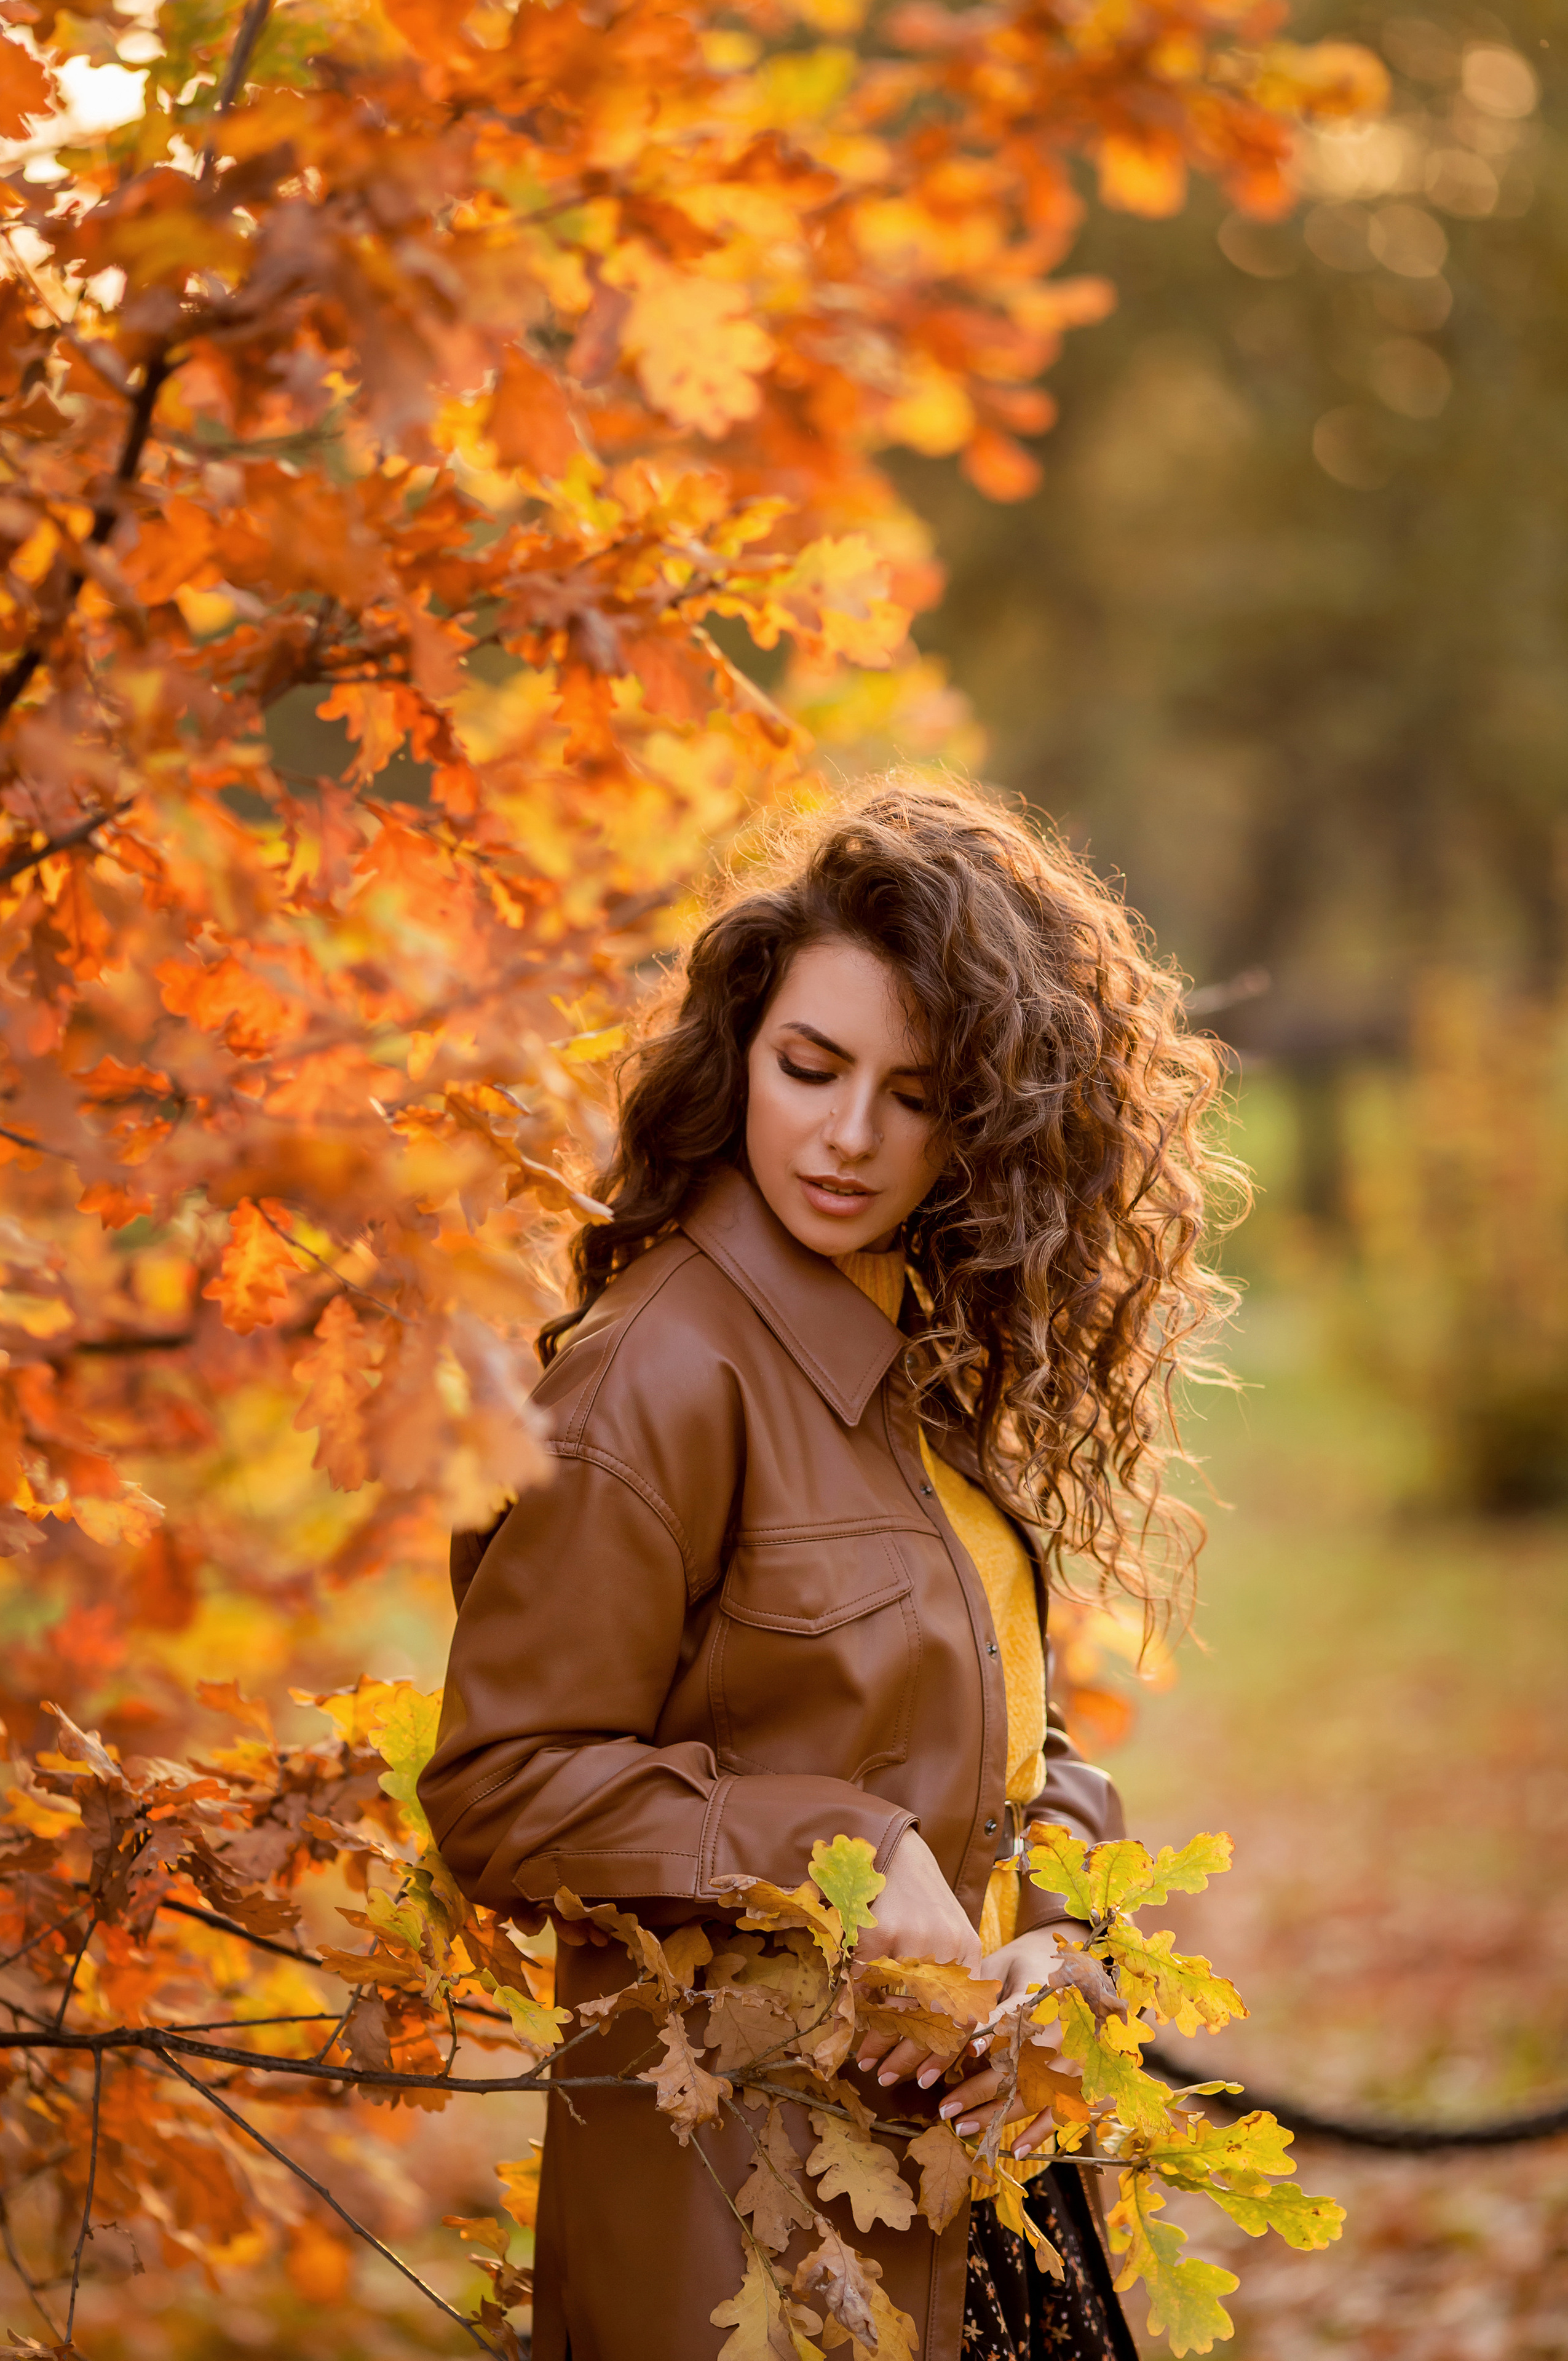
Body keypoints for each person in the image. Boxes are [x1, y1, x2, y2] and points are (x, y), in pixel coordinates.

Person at [419, 781, 1240, 2361]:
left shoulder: (907, 1342)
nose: (849, 1136)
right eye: (809, 1068)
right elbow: (500, 1789)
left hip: (981, 2200)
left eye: (913, 1095)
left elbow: (1000, 1744)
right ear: (739, 1054)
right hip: (744, 2226)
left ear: (981, 1121)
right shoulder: (655, 1376)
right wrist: (841, 1849)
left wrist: (1054, 1938)